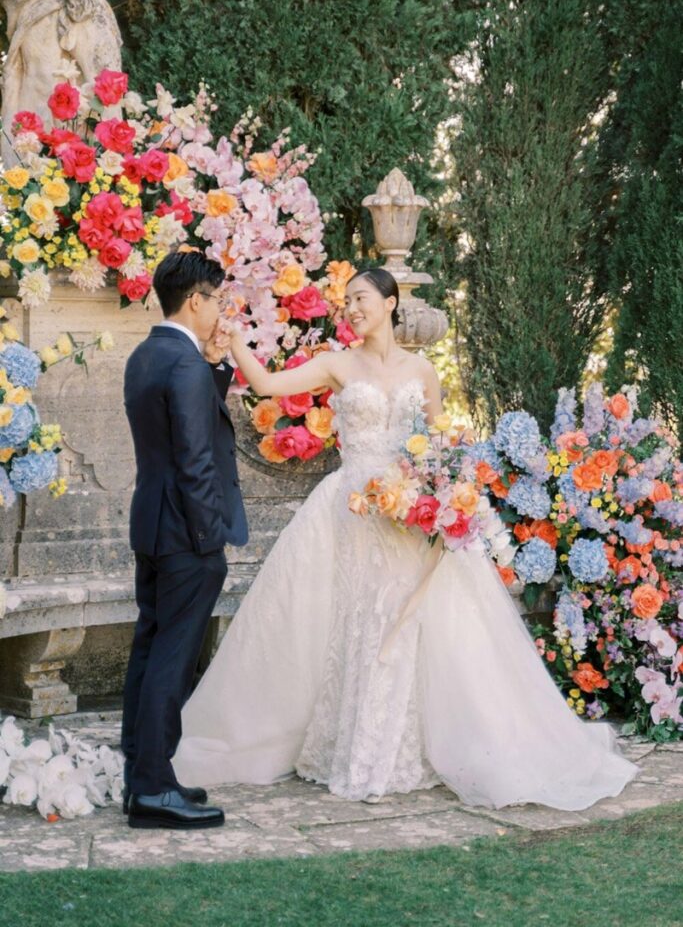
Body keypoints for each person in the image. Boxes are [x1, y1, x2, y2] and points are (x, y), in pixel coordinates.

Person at [173, 268, 637, 810]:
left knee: (418, 621)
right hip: (352, 511)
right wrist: (234, 342)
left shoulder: (423, 369)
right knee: (354, 619)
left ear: (391, 303)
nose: (350, 308)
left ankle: (425, 746)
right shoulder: (336, 364)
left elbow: (439, 445)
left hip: (411, 516)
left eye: (361, 298)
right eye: (346, 302)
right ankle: (359, 748)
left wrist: (443, 496)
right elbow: (268, 386)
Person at [121, 250, 248, 830]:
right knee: (171, 661)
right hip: (185, 536)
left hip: (152, 522)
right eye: (217, 298)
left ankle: (145, 778)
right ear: (194, 300)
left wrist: (218, 367)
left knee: (150, 651)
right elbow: (196, 460)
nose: (220, 308)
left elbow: (181, 432)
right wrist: (209, 541)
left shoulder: (148, 355)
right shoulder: (185, 365)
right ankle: (152, 790)